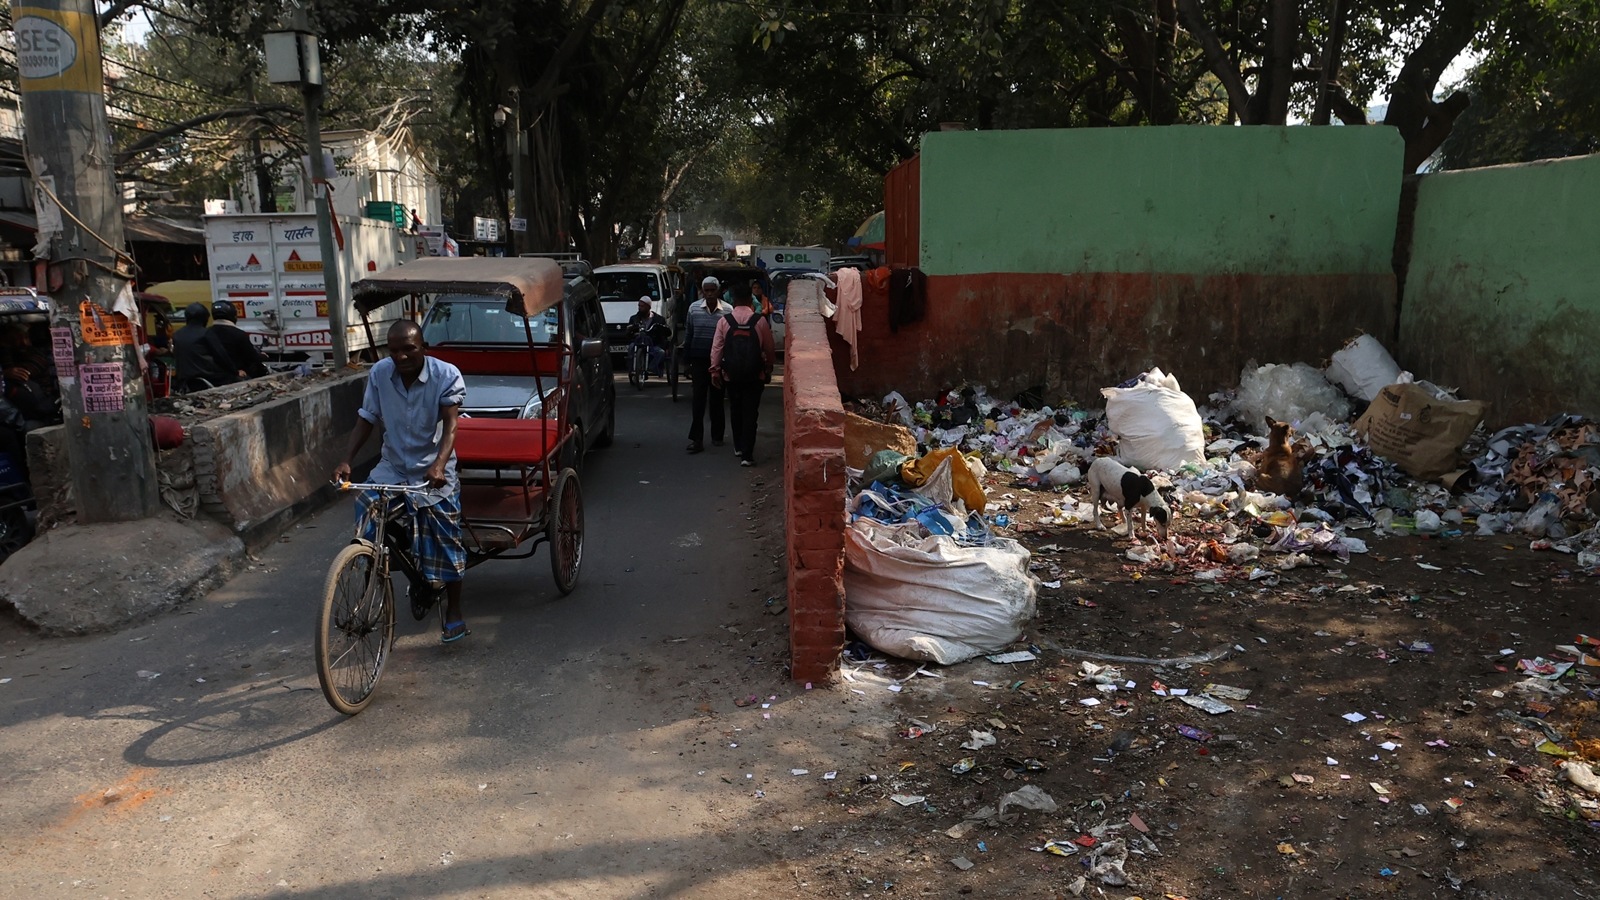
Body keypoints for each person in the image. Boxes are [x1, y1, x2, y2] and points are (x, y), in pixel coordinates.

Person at [332, 320, 470, 643]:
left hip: (432, 471)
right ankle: (369, 587)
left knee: (447, 537)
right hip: (392, 467)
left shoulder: (445, 375)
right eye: (394, 351)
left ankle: (454, 611)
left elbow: (451, 426)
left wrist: (438, 465)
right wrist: (346, 460)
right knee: (366, 508)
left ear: (423, 347)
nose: (402, 356)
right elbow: (366, 419)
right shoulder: (380, 374)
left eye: (409, 349)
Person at [710, 283, 775, 466]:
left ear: (733, 299)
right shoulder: (759, 321)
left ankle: (738, 446)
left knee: (736, 410)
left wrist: (715, 371)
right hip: (755, 376)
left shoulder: (724, 321)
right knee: (751, 413)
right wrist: (769, 368)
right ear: (750, 300)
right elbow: (769, 348)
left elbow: (717, 349)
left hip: (731, 375)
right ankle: (747, 454)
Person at [683, 276, 726, 453]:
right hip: (698, 360)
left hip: (719, 363)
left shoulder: (727, 311)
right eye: (706, 290)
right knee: (698, 401)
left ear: (718, 291)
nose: (709, 294)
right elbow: (688, 336)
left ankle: (717, 435)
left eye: (712, 290)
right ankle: (697, 439)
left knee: (717, 400)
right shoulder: (694, 309)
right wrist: (686, 362)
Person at [171, 303, 237, 393]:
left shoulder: (177, 334)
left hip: (184, 379)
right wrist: (234, 370)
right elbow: (221, 356)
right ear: (204, 318)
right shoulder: (206, 333)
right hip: (208, 377)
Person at [208, 301, 269, 380]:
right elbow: (252, 357)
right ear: (233, 315)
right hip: (235, 377)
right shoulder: (239, 334)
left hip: (212, 375)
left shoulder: (206, 333)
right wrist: (262, 356)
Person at [626, 296, 669, 376]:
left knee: (661, 352)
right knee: (631, 347)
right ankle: (633, 368)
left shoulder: (659, 319)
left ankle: (651, 368)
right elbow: (628, 334)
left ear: (648, 307)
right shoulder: (634, 318)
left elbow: (664, 335)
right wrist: (630, 330)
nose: (640, 308)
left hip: (653, 345)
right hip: (638, 343)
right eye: (639, 306)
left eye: (642, 306)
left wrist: (665, 347)